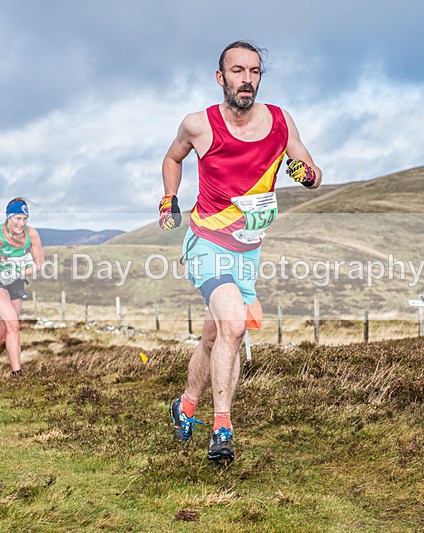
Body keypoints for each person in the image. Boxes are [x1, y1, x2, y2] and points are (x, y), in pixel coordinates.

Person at [161, 41, 322, 462]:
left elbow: (313, 171)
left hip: (248, 251)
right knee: (233, 325)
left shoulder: (281, 122)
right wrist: (169, 198)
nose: (246, 79)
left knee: (216, 336)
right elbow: (172, 159)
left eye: (254, 71)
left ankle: (185, 406)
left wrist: (305, 174)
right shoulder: (198, 125)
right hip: (207, 242)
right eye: (237, 71)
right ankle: (222, 429)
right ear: (221, 78)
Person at [0, 198, 44, 381]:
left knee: (5, 337)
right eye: (17, 218)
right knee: (14, 325)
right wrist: (1, 275)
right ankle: (17, 376)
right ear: (8, 217)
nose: (21, 223)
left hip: (16, 281)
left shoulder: (32, 234)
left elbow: (39, 264)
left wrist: (19, 273)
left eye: (25, 219)